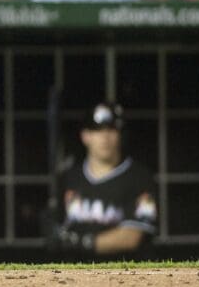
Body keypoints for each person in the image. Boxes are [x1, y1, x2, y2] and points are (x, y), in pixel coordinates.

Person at [50, 102, 157, 261]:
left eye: (111, 130)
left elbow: (132, 238)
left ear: (120, 134)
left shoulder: (140, 178)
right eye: (97, 130)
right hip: (74, 272)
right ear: (85, 136)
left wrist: (82, 242)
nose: (105, 137)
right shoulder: (69, 177)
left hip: (124, 273)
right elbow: (57, 226)